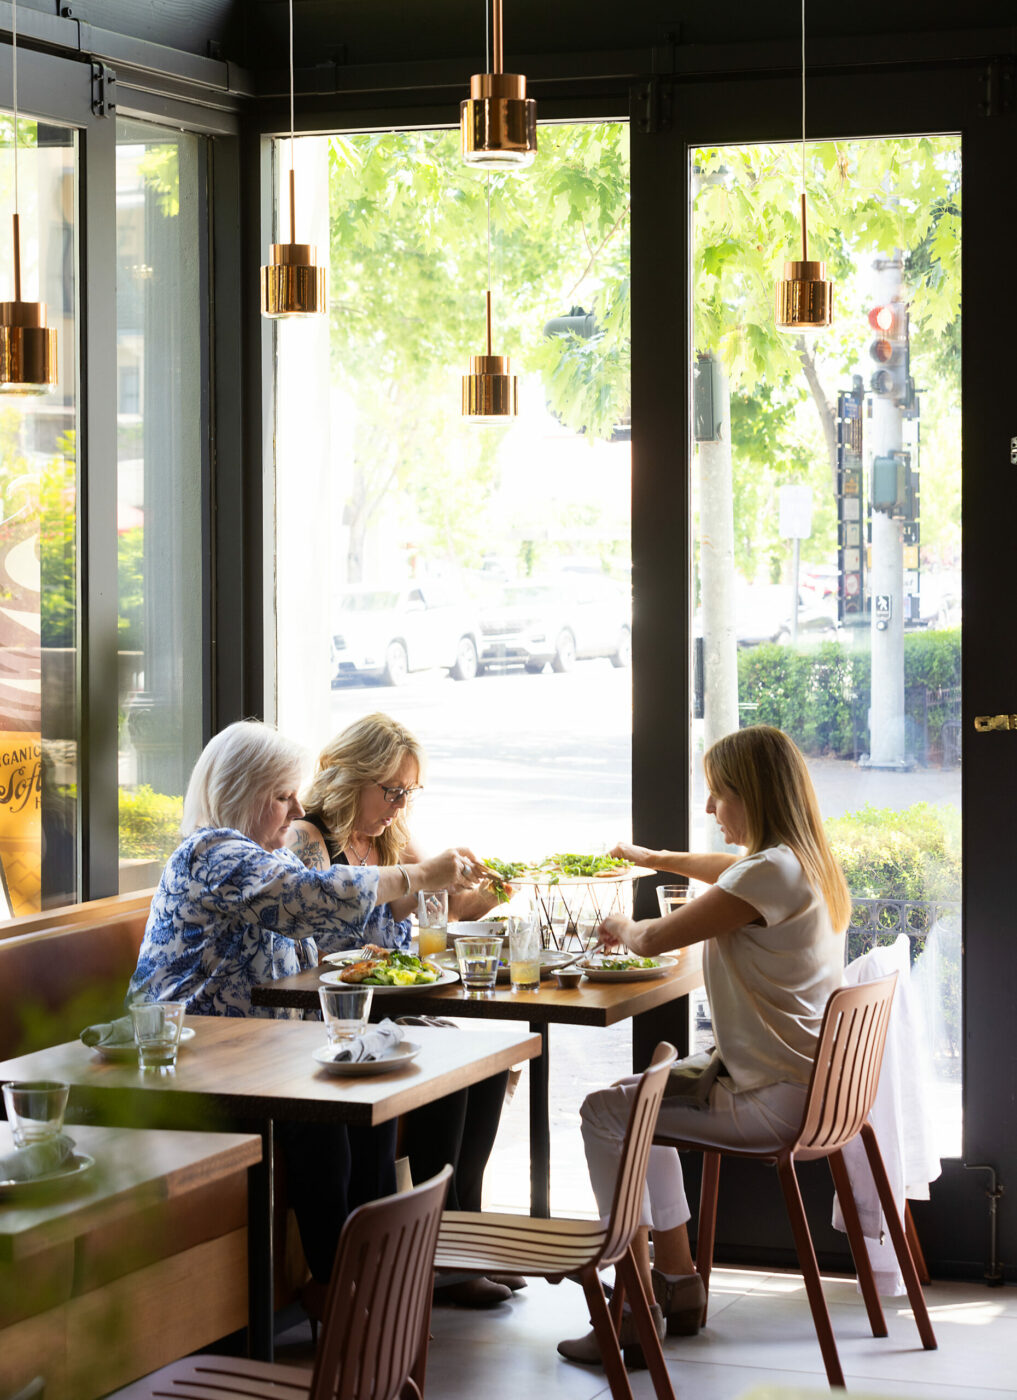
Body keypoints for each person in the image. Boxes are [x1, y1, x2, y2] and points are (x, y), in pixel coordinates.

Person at [129, 718, 481, 1291]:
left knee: (360, 1087)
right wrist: (421, 874)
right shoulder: (211, 852)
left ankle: (377, 1284)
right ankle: (344, 1296)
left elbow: (333, 910)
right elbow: (307, 899)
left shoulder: (261, 855)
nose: (296, 812)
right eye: (282, 797)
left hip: (253, 1054)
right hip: (184, 1060)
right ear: (241, 792)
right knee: (321, 1119)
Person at [558, 725, 850, 1364]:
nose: (710, 808)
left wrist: (619, 925)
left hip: (773, 1098)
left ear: (754, 795)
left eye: (719, 794)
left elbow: (652, 940)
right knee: (642, 1100)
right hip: (809, 1087)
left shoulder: (767, 873)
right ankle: (678, 1284)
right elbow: (725, 870)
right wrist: (655, 859)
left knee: (604, 1114)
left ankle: (634, 1307)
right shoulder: (801, 860)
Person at [287, 712, 524, 1308]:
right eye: (391, 790)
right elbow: (310, 935)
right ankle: (440, 1260)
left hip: (393, 1004)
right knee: (443, 1066)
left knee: (486, 1061)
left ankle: (459, 1238)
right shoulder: (311, 838)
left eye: (408, 792)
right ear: (352, 776)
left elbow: (438, 908)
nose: (399, 804)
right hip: (339, 1011)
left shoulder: (388, 837)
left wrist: (489, 888)